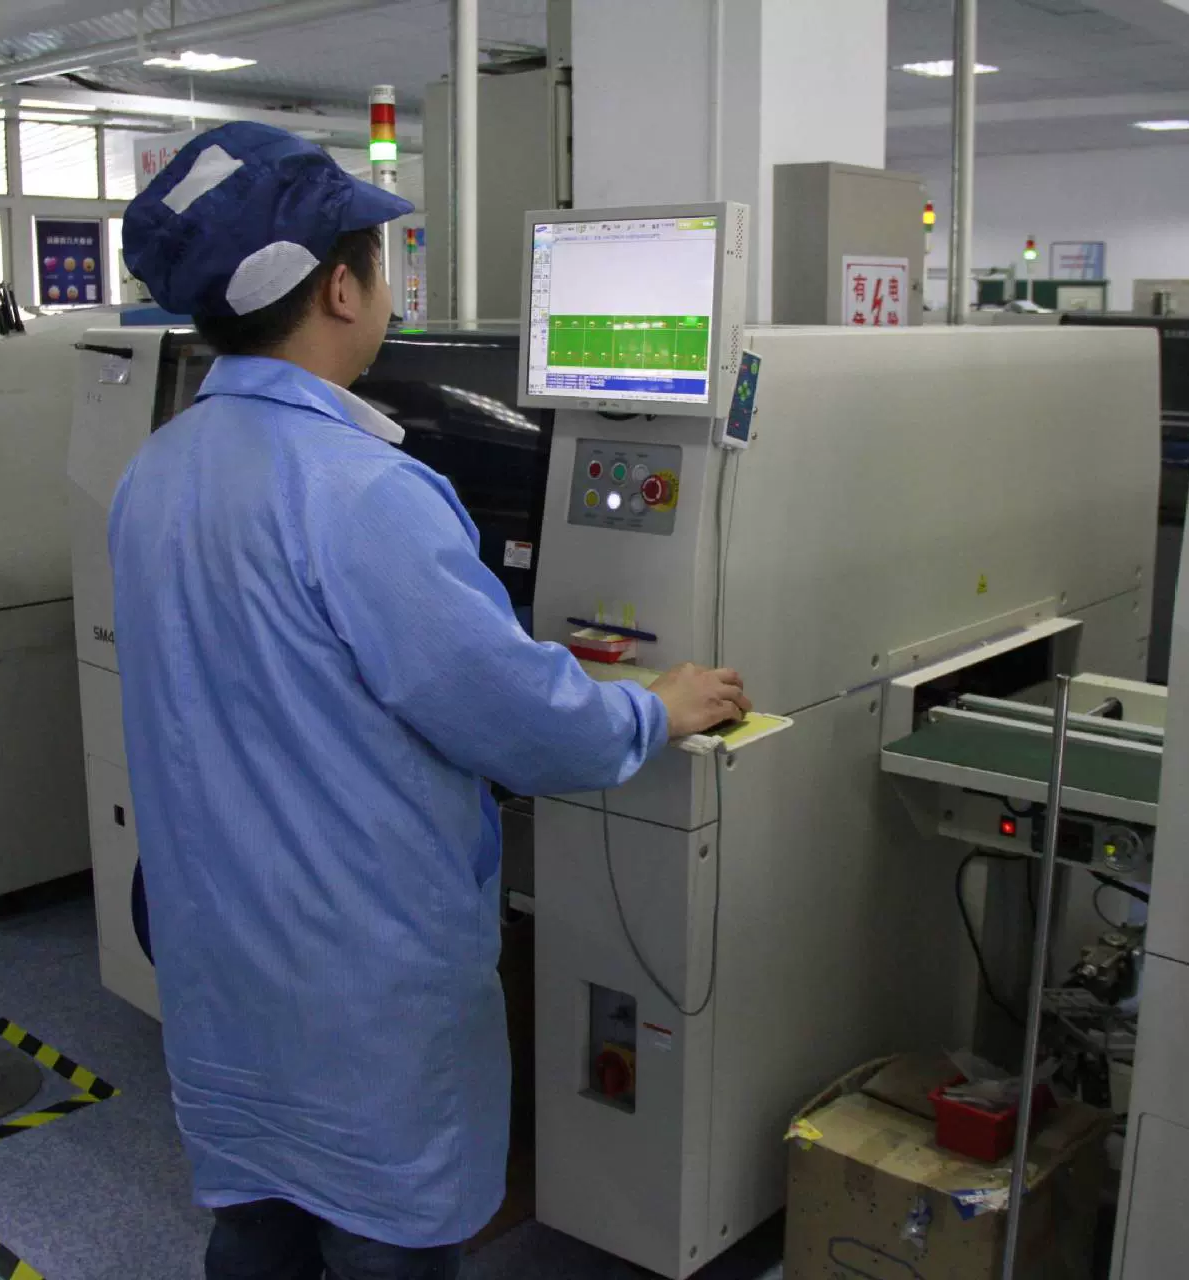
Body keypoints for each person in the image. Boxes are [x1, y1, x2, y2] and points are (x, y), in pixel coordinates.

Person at [113, 123, 749, 1280]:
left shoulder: (157, 466)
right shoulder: (364, 491)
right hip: (354, 979)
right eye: (382, 259)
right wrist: (654, 707)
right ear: (341, 287)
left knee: (255, 1217)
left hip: (216, 945)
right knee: (380, 1234)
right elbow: (523, 722)